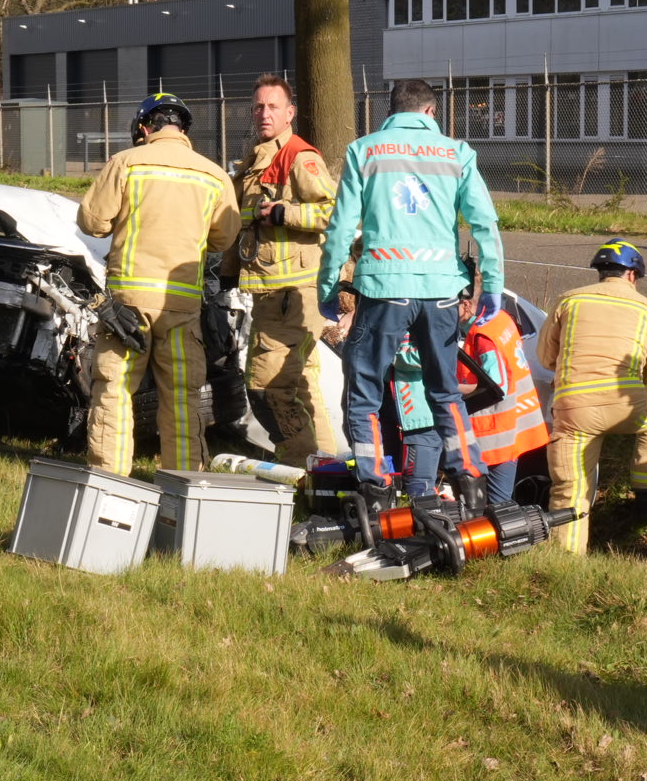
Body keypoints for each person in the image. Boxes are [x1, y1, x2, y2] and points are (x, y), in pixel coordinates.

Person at [315, 77, 504, 506]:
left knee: (364, 392)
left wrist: (328, 287)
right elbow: (484, 226)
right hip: (441, 291)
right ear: (431, 112)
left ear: (391, 110)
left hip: (383, 289)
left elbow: (341, 228)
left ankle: (376, 487)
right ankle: (469, 480)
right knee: (445, 391)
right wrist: (490, 285)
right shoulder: (457, 154)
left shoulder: (365, 151)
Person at [76, 92, 239, 474]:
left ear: (144, 128)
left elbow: (92, 222)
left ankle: (109, 482)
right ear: (183, 129)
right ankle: (181, 487)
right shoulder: (213, 174)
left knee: (114, 393)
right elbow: (223, 238)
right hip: (181, 308)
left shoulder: (126, 163)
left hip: (126, 310)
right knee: (181, 400)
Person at [219, 74, 337, 464]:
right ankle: (326, 472)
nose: (263, 113)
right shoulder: (258, 157)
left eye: (272, 107)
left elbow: (334, 212)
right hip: (270, 293)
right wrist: (227, 272)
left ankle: (300, 467)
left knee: (269, 386)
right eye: (258, 106)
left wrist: (288, 212)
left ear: (291, 113)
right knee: (301, 388)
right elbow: (245, 225)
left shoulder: (299, 157)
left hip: (294, 295)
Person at [537, 238, 647, 553]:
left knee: (569, 493)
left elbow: (546, 359)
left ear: (601, 272)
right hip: (625, 405)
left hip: (573, 410)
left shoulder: (568, 301)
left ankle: (566, 563)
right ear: (633, 274)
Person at [390, 269, 547, 502]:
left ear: (464, 305)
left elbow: (496, 386)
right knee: (497, 507)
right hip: (517, 428)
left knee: (494, 509)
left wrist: (446, 389)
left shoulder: (482, 335)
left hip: (495, 436)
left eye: (445, 307)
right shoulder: (500, 318)